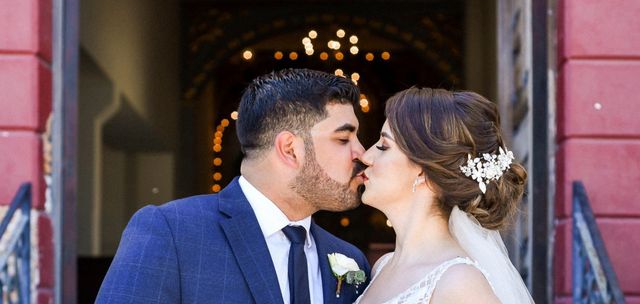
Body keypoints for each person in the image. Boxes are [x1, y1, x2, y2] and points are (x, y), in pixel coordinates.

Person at [96, 68, 371, 303]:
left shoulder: (350, 260)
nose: (363, 153)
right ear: (290, 149)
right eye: (344, 139)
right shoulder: (172, 232)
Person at [355, 87, 534, 304]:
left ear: (423, 170)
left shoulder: (460, 284)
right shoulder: (381, 267)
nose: (366, 156)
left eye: (384, 146)